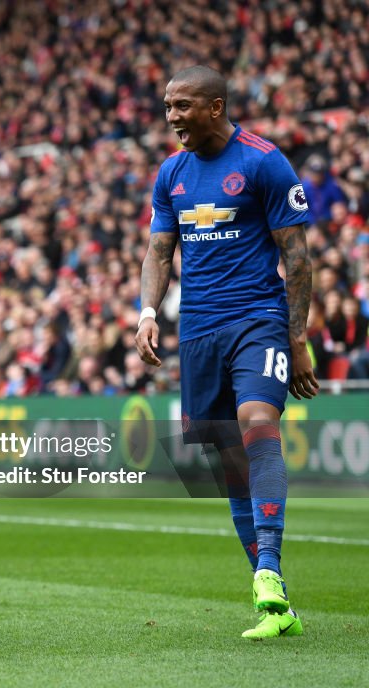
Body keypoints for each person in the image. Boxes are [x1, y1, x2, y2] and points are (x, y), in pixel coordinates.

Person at [136, 65, 318, 640]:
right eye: (168, 106)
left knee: (256, 423)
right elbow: (159, 252)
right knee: (225, 458)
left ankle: (266, 567)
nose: (172, 118)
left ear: (215, 106)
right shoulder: (172, 172)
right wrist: (146, 312)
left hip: (256, 319)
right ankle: (276, 600)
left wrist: (299, 337)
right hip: (197, 330)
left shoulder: (263, 162)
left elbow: (298, 257)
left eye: (183, 106)